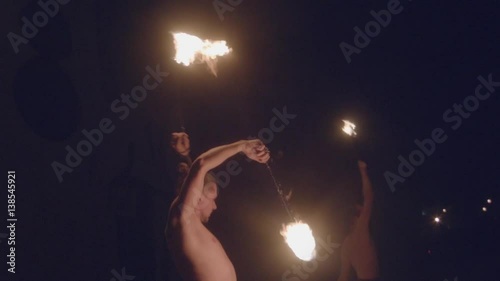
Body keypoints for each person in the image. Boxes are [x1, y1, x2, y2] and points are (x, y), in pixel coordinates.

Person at [165, 136, 270, 281]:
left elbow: (197, 173)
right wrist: (243, 146)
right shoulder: (183, 219)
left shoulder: (189, 224)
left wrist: (184, 156)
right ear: (200, 198)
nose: (215, 206)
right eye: (213, 200)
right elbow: (201, 165)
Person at [338, 160, 380, 281]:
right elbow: (369, 197)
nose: (363, 211)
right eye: (360, 210)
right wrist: (363, 171)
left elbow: (343, 276)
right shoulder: (360, 229)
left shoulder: (346, 244)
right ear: (355, 218)